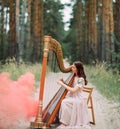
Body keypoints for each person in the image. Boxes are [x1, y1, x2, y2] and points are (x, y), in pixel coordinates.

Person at [57, 61, 92, 129]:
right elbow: (71, 87)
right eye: (72, 67)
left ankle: (65, 122)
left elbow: (73, 90)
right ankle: (67, 120)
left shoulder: (81, 79)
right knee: (63, 100)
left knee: (64, 102)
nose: (71, 68)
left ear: (77, 69)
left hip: (79, 98)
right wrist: (64, 82)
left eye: (73, 67)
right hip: (73, 96)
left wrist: (62, 84)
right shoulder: (74, 76)